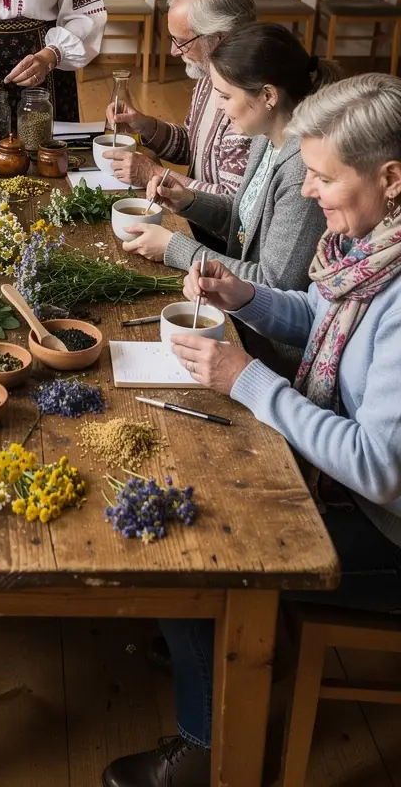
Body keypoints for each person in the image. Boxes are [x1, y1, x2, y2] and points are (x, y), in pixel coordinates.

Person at [103, 73, 401, 787]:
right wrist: (247, 296)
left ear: (390, 177)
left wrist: (246, 379)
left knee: (192, 549)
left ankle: (212, 749)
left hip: (385, 527)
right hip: (350, 492)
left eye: (323, 178)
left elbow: (379, 468)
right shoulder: (376, 251)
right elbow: (321, 320)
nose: (305, 191)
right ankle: (202, 649)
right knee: (186, 491)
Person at [122, 25, 340, 372]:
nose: (219, 107)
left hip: (268, 350)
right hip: (235, 316)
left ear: (268, 95)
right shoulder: (267, 135)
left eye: (224, 96)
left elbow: (272, 285)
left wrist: (175, 248)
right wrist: (190, 201)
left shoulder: (302, 170)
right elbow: (245, 223)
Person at [105, 0, 255, 198]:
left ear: (219, 38)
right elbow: (191, 147)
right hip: (191, 215)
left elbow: (233, 204)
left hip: (208, 231)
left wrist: (153, 174)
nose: (174, 52)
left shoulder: (250, 101)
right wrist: (145, 126)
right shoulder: (208, 76)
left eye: (182, 41)